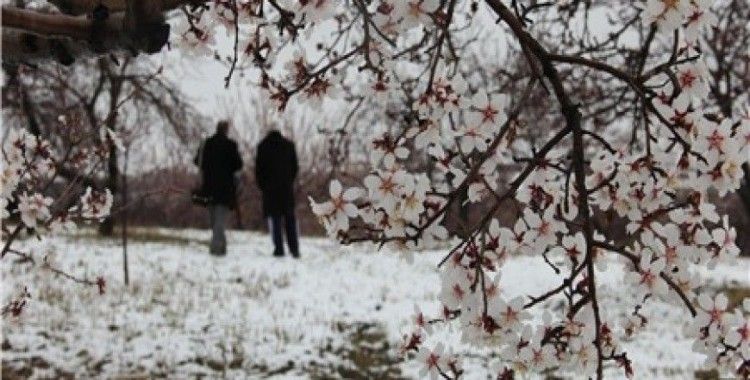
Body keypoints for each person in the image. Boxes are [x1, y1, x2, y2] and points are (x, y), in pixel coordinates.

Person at [195, 120, 243, 256]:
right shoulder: (231, 145)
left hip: (209, 187)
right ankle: (217, 249)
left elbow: (197, 161)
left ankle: (220, 248)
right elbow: (238, 165)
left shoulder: (207, 144)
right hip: (225, 189)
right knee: (219, 221)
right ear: (226, 130)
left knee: (214, 221)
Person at [255, 130, 300, 258]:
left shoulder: (263, 147)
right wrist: (289, 181)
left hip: (270, 189)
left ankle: (279, 248)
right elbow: (295, 167)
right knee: (289, 219)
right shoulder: (289, 146)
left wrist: (263, 186)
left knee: (275, 220)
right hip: (286, 188)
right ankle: (294, 248)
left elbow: (259, 170)